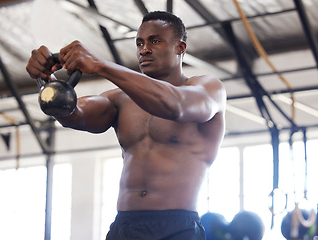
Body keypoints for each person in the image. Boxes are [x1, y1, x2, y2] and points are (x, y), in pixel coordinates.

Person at [26, 11, 226, 240]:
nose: (144, 49)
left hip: (177, 227)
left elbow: (176, 106)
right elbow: (70, 111)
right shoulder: (120, 99)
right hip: (125, 227)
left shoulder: (208, 88)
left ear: (180, 48)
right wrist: (46, 83)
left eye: (155, 41)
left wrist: (102, 66)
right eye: (140, 43)